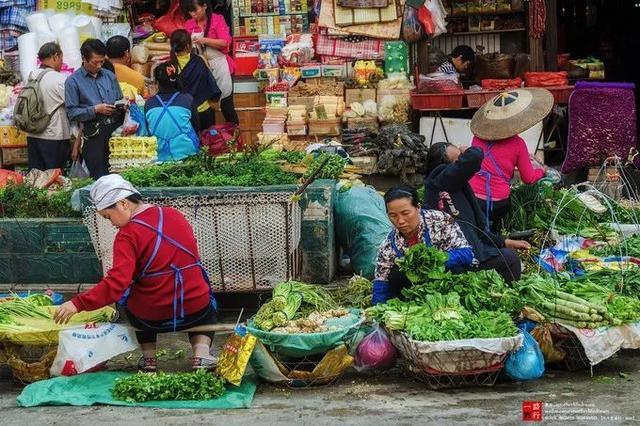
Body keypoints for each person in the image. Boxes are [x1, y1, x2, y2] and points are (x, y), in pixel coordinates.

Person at [54, 174, 219, 371]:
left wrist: (77, 303)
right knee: (208, 301)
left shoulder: (127, 235)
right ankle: (201, 354)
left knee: (127, 299)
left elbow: (116, 285)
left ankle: (149, 359)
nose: (112, 223)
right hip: (195, 311)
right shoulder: (174, 215)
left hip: (150, 319)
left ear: (123, 203)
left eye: (108, 216)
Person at [424, 142, 530, 283]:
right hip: (457, 259)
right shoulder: (441, 178)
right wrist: (465, 150)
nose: (461, 161)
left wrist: (505, 242)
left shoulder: (452, 187)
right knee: (510, 259)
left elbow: (477, 227)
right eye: (458, 159)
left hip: (465, 252)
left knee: (509, 256)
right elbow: (475, 156)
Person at [372, 185, 475, 305]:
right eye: (393, 215)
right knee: (395, 275)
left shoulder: (441, 221)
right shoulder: (389, 244)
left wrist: (433, 261)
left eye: (405, 213)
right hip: (414, 290)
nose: (400, 221)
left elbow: (467, 253)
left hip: (445, 283)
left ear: (418, 207)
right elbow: (381, 281)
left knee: (458, 270)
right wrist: (378, 310)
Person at [469, 88, 553, 232]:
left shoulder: (477, 137)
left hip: (472, 198)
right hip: (499, 204)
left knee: (477, 234)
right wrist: (542, 171)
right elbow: (528, 178)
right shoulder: (518, 144)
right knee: (494, 234)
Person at [65, 39, 124, 179]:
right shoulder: (73, 81)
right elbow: (72, 113)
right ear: (84, 59)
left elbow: (119, 97)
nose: (99, 66)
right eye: (95, 62)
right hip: (93, 134)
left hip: (115, 130)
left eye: (102, 62)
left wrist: (122, 104)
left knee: (118, 174)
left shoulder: (109, 76)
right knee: (99, 176)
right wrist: (95, 109)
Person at [181, 0, 239, 125]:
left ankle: (235, 136)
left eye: (195, 10)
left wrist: (204, 40)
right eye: (190, 11)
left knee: (226, 105)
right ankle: (211, 138)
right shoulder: (189, 24)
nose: (193, 14)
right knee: (207, 106)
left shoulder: (217, 20)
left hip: (220, 66)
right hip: (201, 70)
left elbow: (225, 42)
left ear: (205, 6)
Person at [25, 42, 71, 171]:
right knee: (54, 177)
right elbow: (72, 105)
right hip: (54, 136)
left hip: (33, 133)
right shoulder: (59, 79)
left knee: (36, 175)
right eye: (61, 59)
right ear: (55, 56)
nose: (62, 63)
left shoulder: (32, 75)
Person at [145, 62, 200, 162]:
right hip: (187, 154)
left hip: (159, 156)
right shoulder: (187, 99)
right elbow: (196, 127)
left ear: (157, 82)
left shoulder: (149, 103)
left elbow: (148, 131)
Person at [169, 29, 221, 131]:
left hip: (182, 113)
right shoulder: (199, 60)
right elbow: (210, 83)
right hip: (203, 111)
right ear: (188, 46)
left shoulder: (169, 66)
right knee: (207, 143)